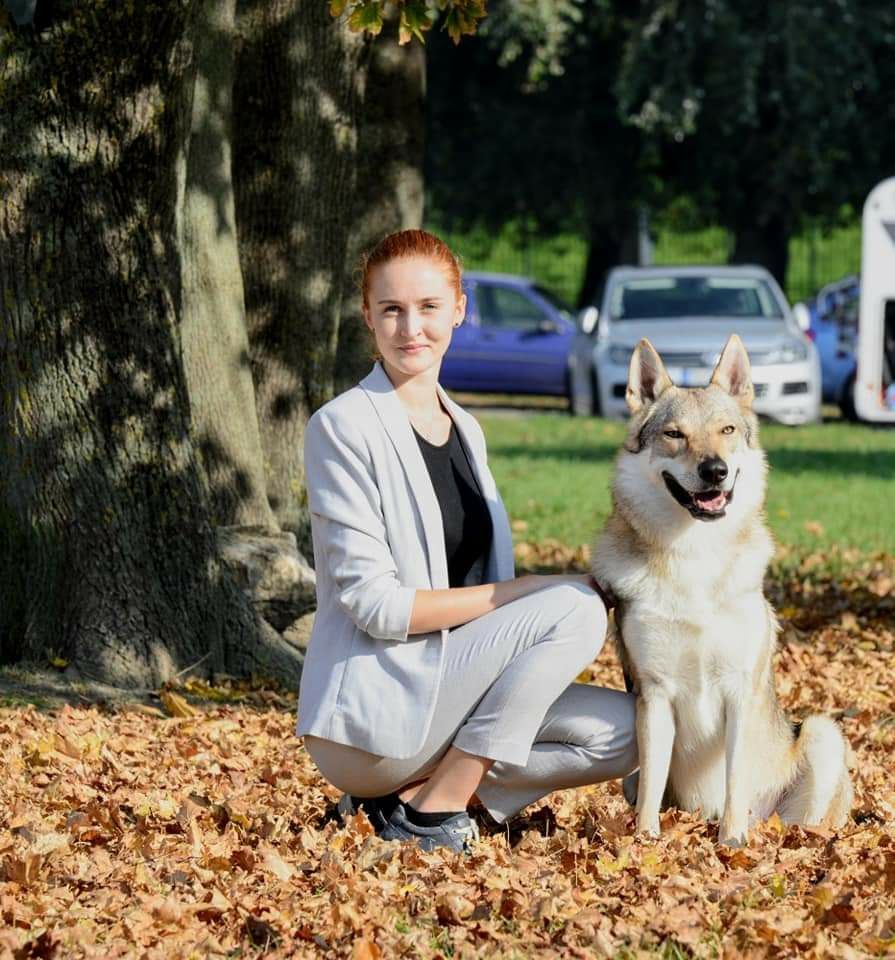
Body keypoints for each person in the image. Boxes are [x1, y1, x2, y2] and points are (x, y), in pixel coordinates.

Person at [297, 229, 637, 853]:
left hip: (455, 687)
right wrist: (518, 592)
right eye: (391, 309)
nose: (410, 328)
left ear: (459, 308)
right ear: (366, 314)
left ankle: (402, 803)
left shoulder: (467, 428)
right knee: (573, 604)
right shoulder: (341, 427)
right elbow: (378, 608)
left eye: (428, 307)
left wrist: (518, 598)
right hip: (371, 718)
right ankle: (435, 812)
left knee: (624, 734)